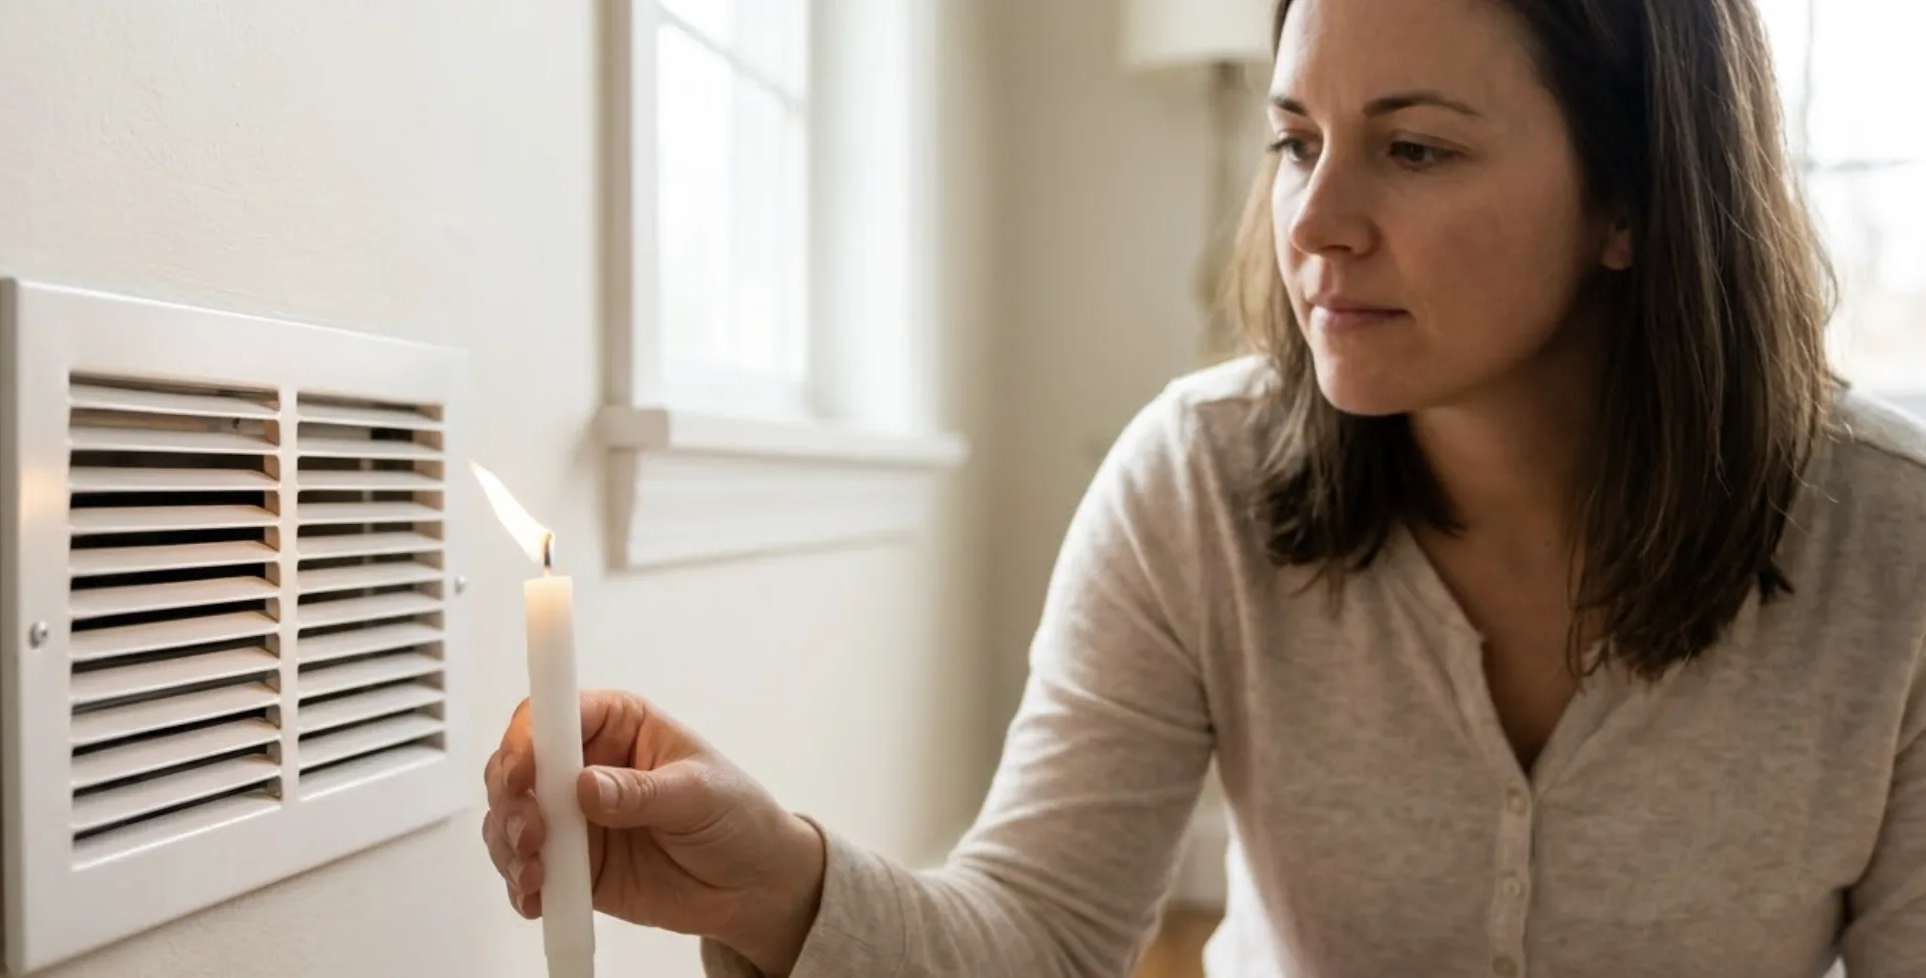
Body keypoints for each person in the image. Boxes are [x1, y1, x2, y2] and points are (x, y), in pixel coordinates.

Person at [482, 0, 1926, 973]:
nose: (1316, 224)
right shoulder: (1195, 478)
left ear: (1633, 196)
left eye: (1412, 150)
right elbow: (1039, 934)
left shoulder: (1895, 549)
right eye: (1297, 142)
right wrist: (777, 879)